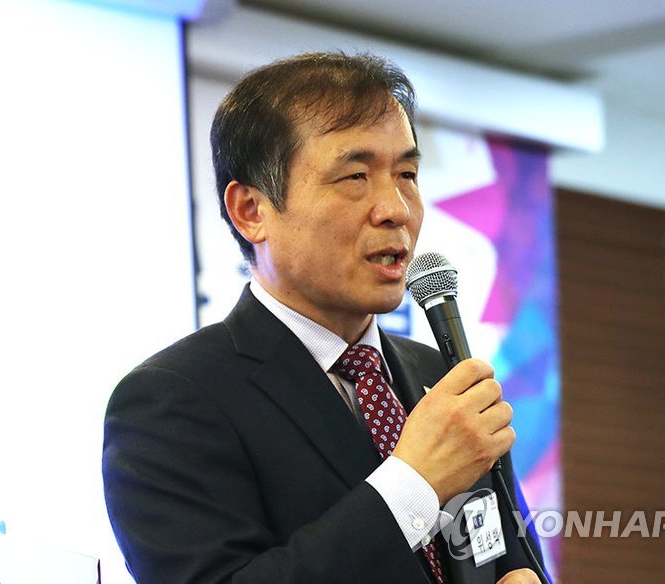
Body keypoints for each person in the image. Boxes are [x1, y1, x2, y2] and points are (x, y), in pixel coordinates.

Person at [103, 52, 548, 584]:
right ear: (251, 210)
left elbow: (505, 557)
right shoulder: (172, 399)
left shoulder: (440, 377)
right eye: (355, 175)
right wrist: (414, 482)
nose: (396, 208)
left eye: (407, 173)